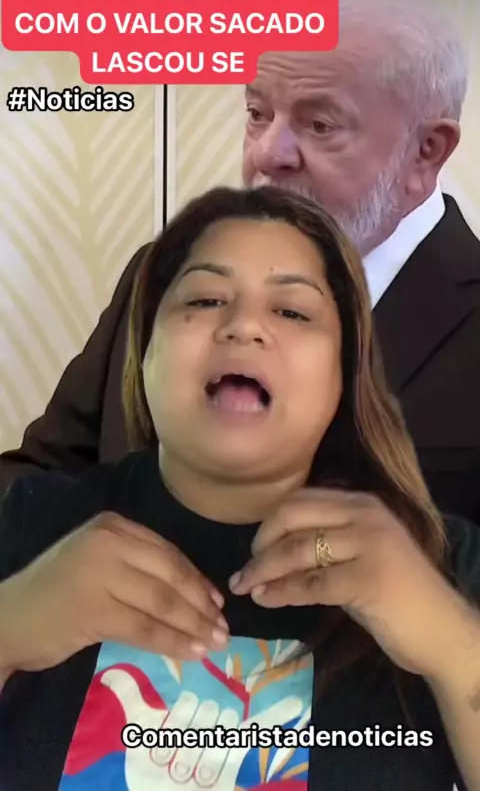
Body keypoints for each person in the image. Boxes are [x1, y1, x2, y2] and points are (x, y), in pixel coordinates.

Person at [1, 185, 480, 790]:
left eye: (293, 311)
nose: (245, 326)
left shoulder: (445, 565)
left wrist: (452, 646)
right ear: (144, 350)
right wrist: (10, 628)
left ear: (344, 372)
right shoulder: (25, 524)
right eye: (205, 299)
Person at [1, 0, 479, 523]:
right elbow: (35, 478)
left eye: (320, 124)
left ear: (426, 151)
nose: (267, 154)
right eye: (257, 113)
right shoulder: (161, 274)